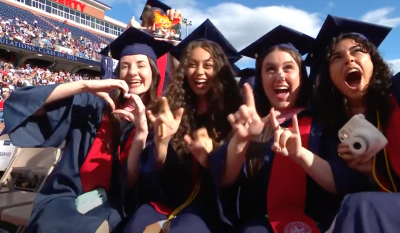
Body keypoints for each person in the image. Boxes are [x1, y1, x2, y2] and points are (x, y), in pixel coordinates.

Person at [3, 27, 174, 233]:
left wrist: (141, 133)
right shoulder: (95, 102)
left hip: (115, 205)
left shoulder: (158, 118)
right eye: (126, 66)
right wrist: (83, 86)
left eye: (141, 65)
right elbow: (25, 105)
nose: (132, 73)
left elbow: (132, 185)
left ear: (153, 72)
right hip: (68, 196)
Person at [210, 25, 350, 233]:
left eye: (288, 68)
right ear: (261, 78)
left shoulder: (324, 123)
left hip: (322, 224)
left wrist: (301, 155)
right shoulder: (252, 123)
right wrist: (241, 140)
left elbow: (342, 182)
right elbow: (226, 181)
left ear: (301, 76)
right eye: (270, 69)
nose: (280, 76)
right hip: (258, 226)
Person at [123, 19, 242, 233]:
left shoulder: (233, 114)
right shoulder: (171, 108)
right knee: (136, 228)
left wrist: (209, 160)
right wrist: (161, 142)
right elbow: (153, 174)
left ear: (221, 69)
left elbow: (234, 185)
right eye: (192, 64)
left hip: (210, 208)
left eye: (208, 65)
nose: (199, 71)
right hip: (167, 200)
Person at [310, 15, 399, 233]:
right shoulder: (330, 127)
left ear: (373, 61)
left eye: (357, 51)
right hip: (384, 205)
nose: (349, 60)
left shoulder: (397, 96)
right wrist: (369, 172)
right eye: (337, 57)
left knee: (360, 206)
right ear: (329, 75)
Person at [127, 0, 182, 95]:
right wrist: (129, 37)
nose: (153, 28)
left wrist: (175, 40)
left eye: (157, 24)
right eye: (149, 23)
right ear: (142, 26)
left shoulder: (170, 54)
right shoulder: (133, 54)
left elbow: (180, 77)